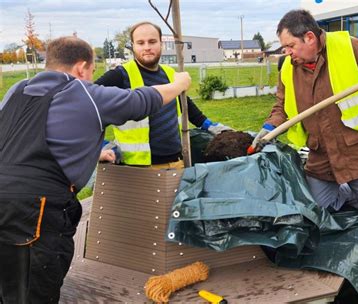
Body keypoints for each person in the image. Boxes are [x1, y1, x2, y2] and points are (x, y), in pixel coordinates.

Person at [0, 36, 191, 303]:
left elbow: (31, 133)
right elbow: (141, 101)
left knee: (7, 282)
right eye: (92, 71)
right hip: (35, 210)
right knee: (34, 290)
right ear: (81, 67)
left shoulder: (17, 90)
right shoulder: (82, 92)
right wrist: (179, 83)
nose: (92, 77)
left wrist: (91, 151)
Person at [251, 10, 358, 304]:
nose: (288, 53)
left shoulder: (351, 48)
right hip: (322, 158)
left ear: (309, 37)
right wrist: (269, 127)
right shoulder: (289, 67)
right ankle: (336, 262)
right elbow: (282, 105)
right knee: (312, 210)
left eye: (290, 46)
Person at [96, 21, 232, 169]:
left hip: (175, 162)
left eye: (152, 41)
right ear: (133, 46)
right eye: (140, 43)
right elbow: (85, 103)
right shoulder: (120, 75)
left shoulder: (170, 73)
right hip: (138, 169)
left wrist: (209, 125)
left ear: (161, 44)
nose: (147, 47)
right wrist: (101, 146)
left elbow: (186, 105)